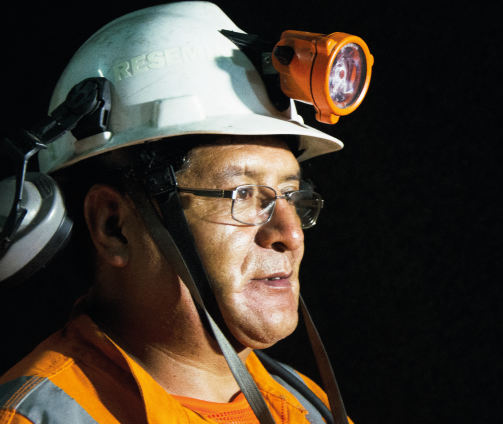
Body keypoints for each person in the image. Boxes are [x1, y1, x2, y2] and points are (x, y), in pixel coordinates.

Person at [0, 2, 370, 423]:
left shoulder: (308, 409)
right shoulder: (35, 417)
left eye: (290, 194)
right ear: (113, 226)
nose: (290, 233)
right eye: (243, 194)